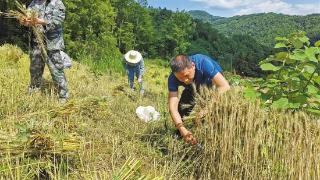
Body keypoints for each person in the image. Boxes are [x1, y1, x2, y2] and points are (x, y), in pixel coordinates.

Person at [168, 54, 230, 145]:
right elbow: (172, 107)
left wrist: (206, 109)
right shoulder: (172, 78)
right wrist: (181, 128)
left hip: (212, 84)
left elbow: (225, 86)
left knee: (211, 114)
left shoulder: (204, 64)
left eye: (186, 75)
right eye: (180, 78)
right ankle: (182, 134)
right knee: (182, 108)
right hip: (192, 87)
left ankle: (212, 138)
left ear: (193, 66)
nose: (185, 80)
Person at [19, 0, 69, 103]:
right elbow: (29, 20)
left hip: (52, 44)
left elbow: (57, 21)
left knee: (56, 71)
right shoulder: (34, 3)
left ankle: (63, 96)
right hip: (36, 43)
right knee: (34, 70)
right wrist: (24, 22)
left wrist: (40, 21)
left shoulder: (57, 3)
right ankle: (33, 93)